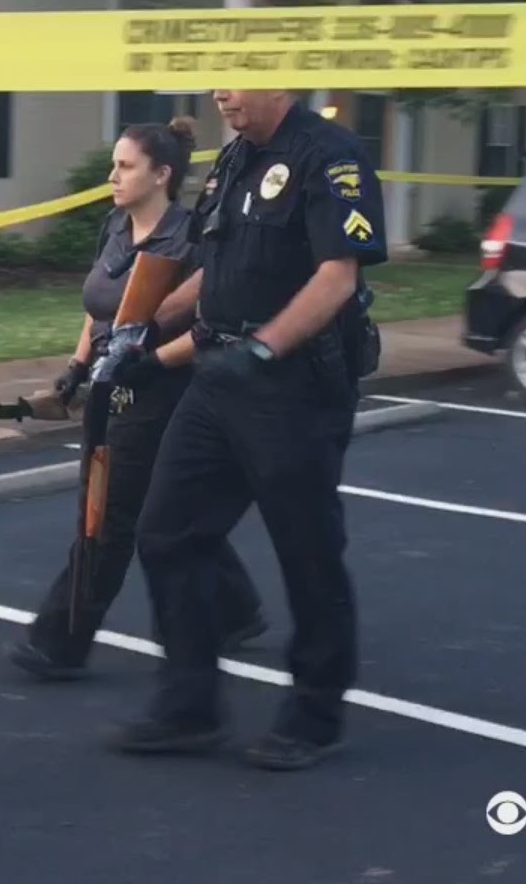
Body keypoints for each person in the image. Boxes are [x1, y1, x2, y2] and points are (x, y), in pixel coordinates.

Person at [107, 89, 385, 771]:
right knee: (167, 533)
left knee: (307, 550)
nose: (220, 93)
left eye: (235, 76)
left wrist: (263, 349)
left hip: (292, 384)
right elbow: (215, 269)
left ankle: (314, 716)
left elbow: (337, 277)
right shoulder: (234, 158)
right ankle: (189, 707)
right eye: (216, 78)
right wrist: (144, 333)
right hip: (218, 375)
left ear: (278, 77)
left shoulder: (331, 156)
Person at [5, 115, 269, 682]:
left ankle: (61, 641)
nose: (113, 176)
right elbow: (98, 308)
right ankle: (236, 608)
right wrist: (76, 368)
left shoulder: (191, 237)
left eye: (126, 167)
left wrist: (147, 363)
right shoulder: (114, 227)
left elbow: (205, 318)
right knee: (157, 508)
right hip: (106, 384)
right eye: (114, 165)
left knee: (108, 519)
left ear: (162, 174)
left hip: (163, 392)